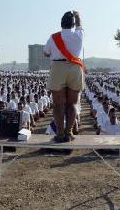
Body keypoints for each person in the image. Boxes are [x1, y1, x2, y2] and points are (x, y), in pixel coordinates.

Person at [44, 11, 84, 142]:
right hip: (74, 67)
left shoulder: (53, 37)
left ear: (61, 24)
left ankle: (60, 133)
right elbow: (80, 26)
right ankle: (69, 132)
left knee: (59, 104)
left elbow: (46, 53)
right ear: (73, 24)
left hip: (58, 68)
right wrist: (77, 16)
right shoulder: (79, 35)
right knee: (72, 103)